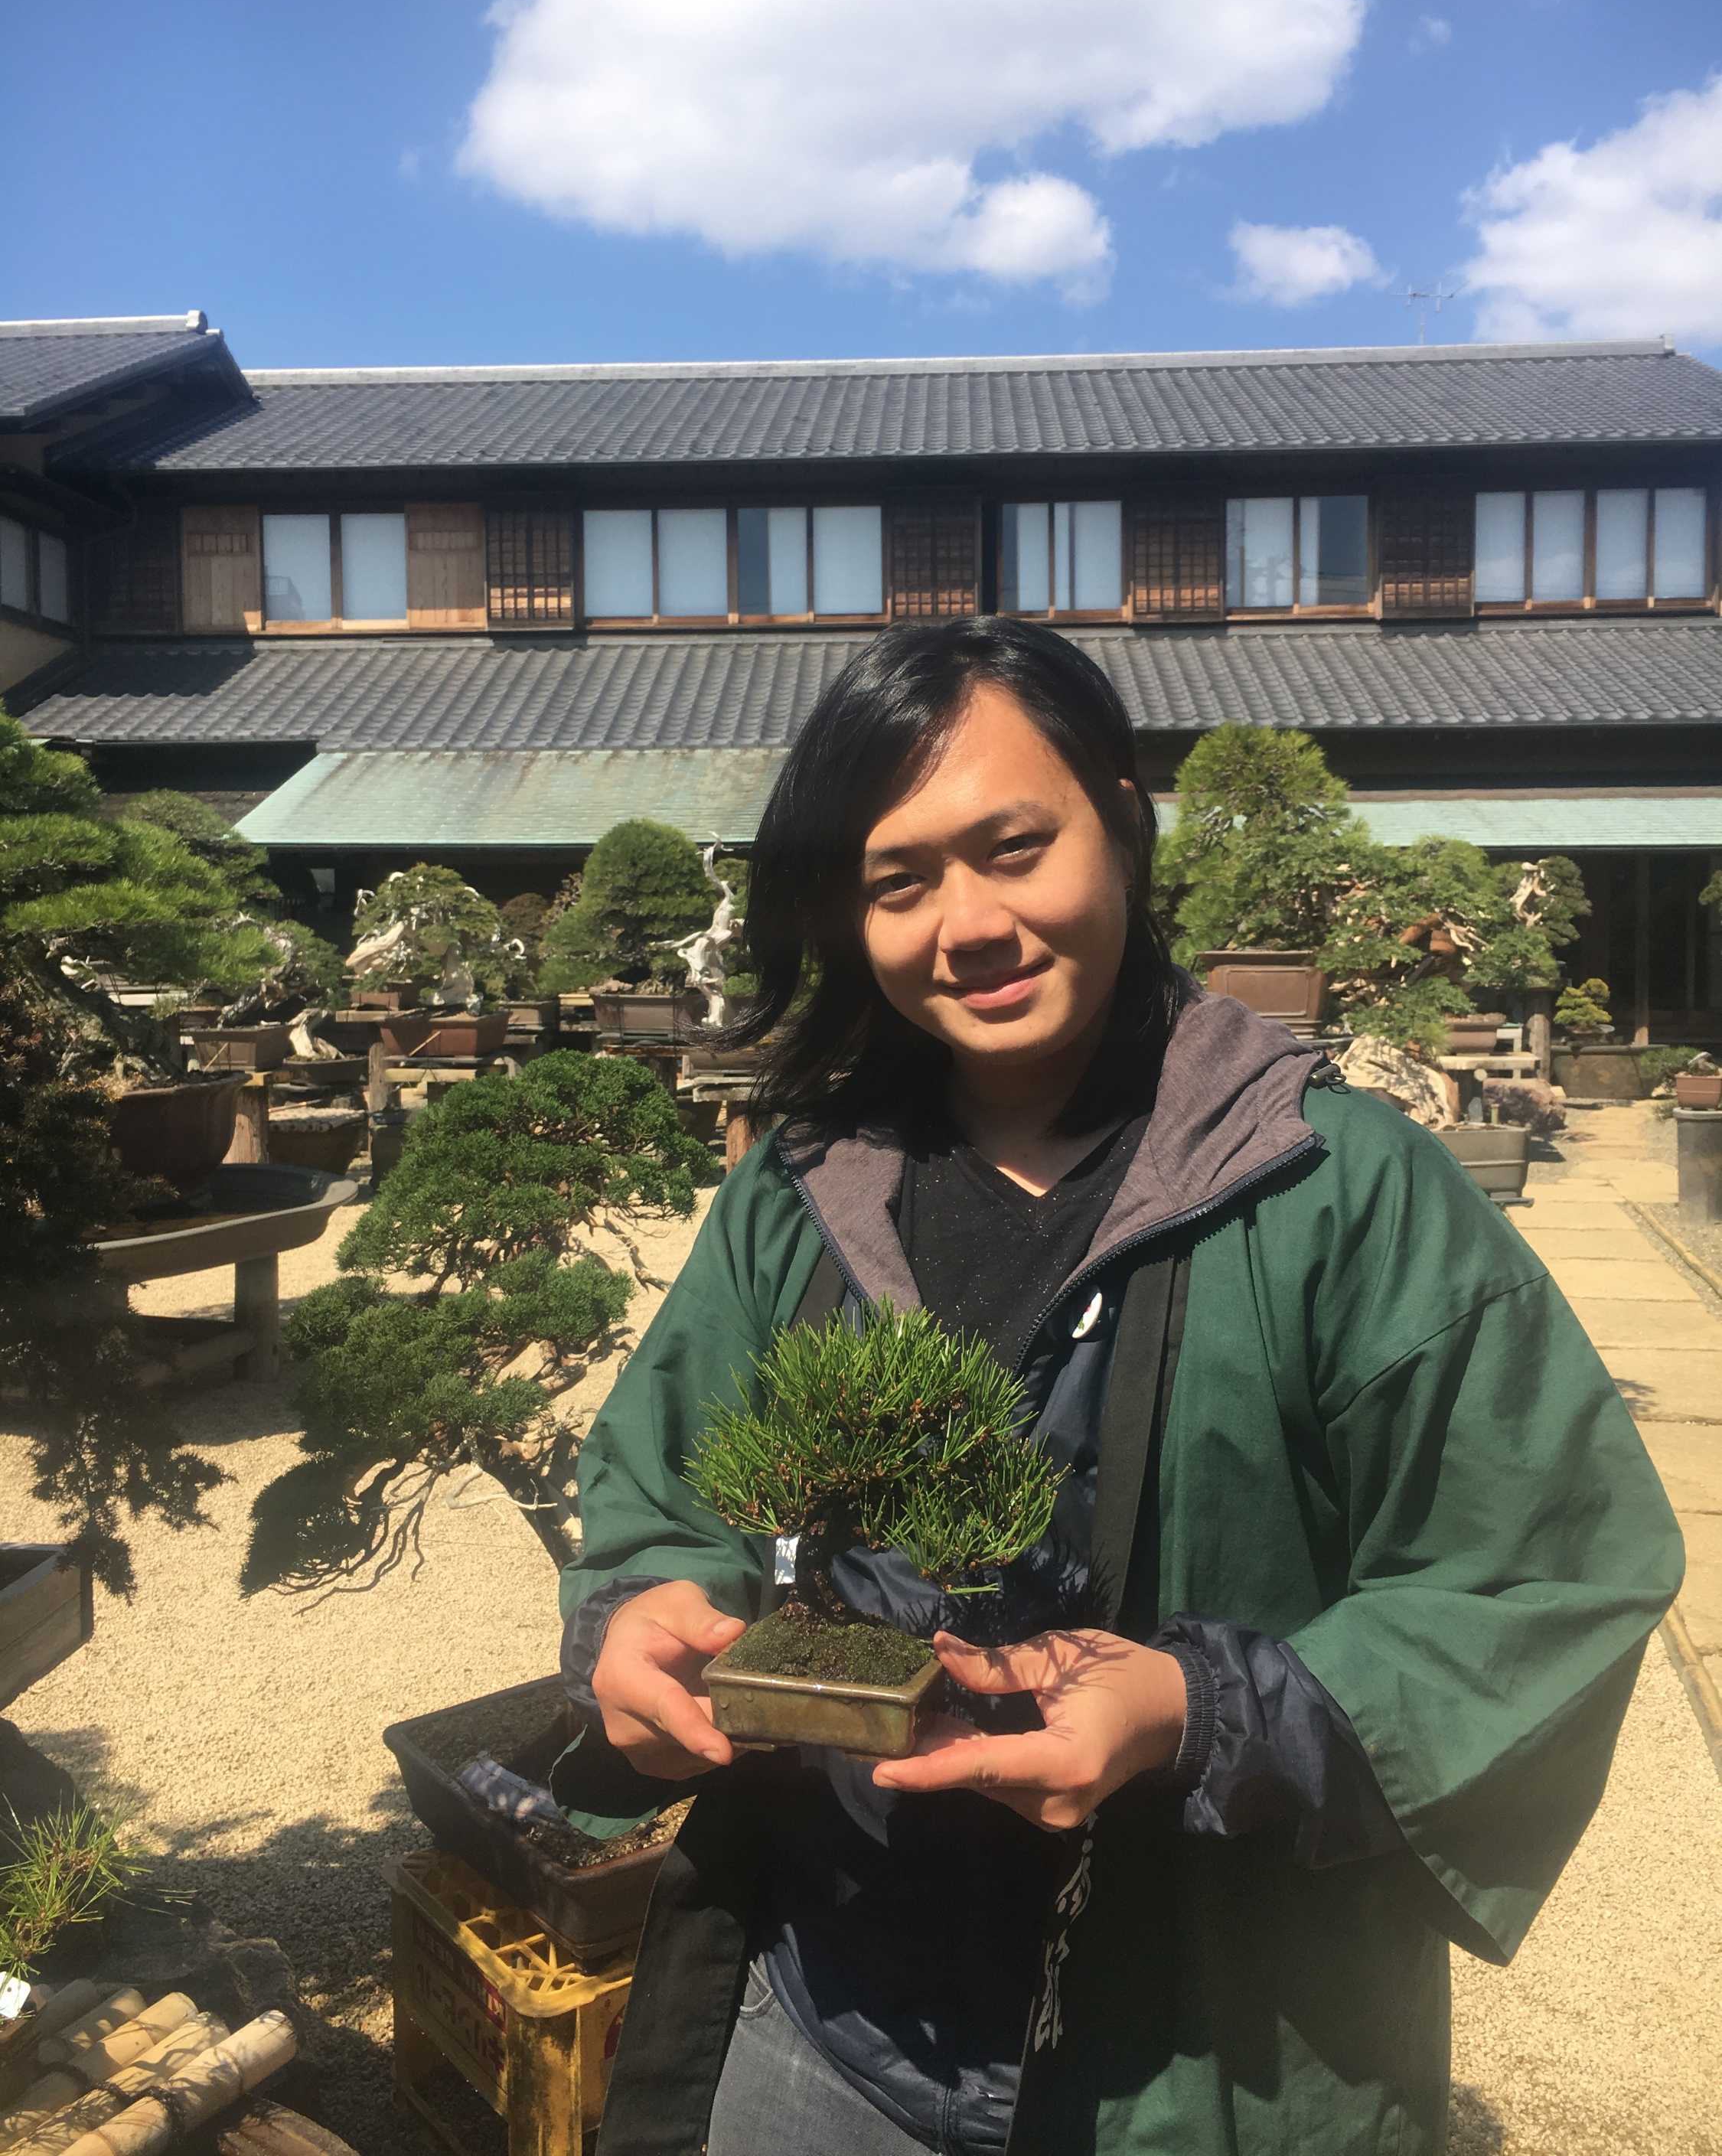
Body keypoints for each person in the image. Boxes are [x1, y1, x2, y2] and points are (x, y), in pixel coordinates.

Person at [555, 618, 1682, 2156]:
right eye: (899, 881)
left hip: (1205, 2058)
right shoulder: (804, 1190)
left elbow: (1547, 1571)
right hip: (825, 2015)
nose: (967, 923)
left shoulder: (1341, 1192)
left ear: (1125, 825)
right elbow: (664, 1485)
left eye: (1016, 847)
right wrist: (640, 1614)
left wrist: (1199, 1706)